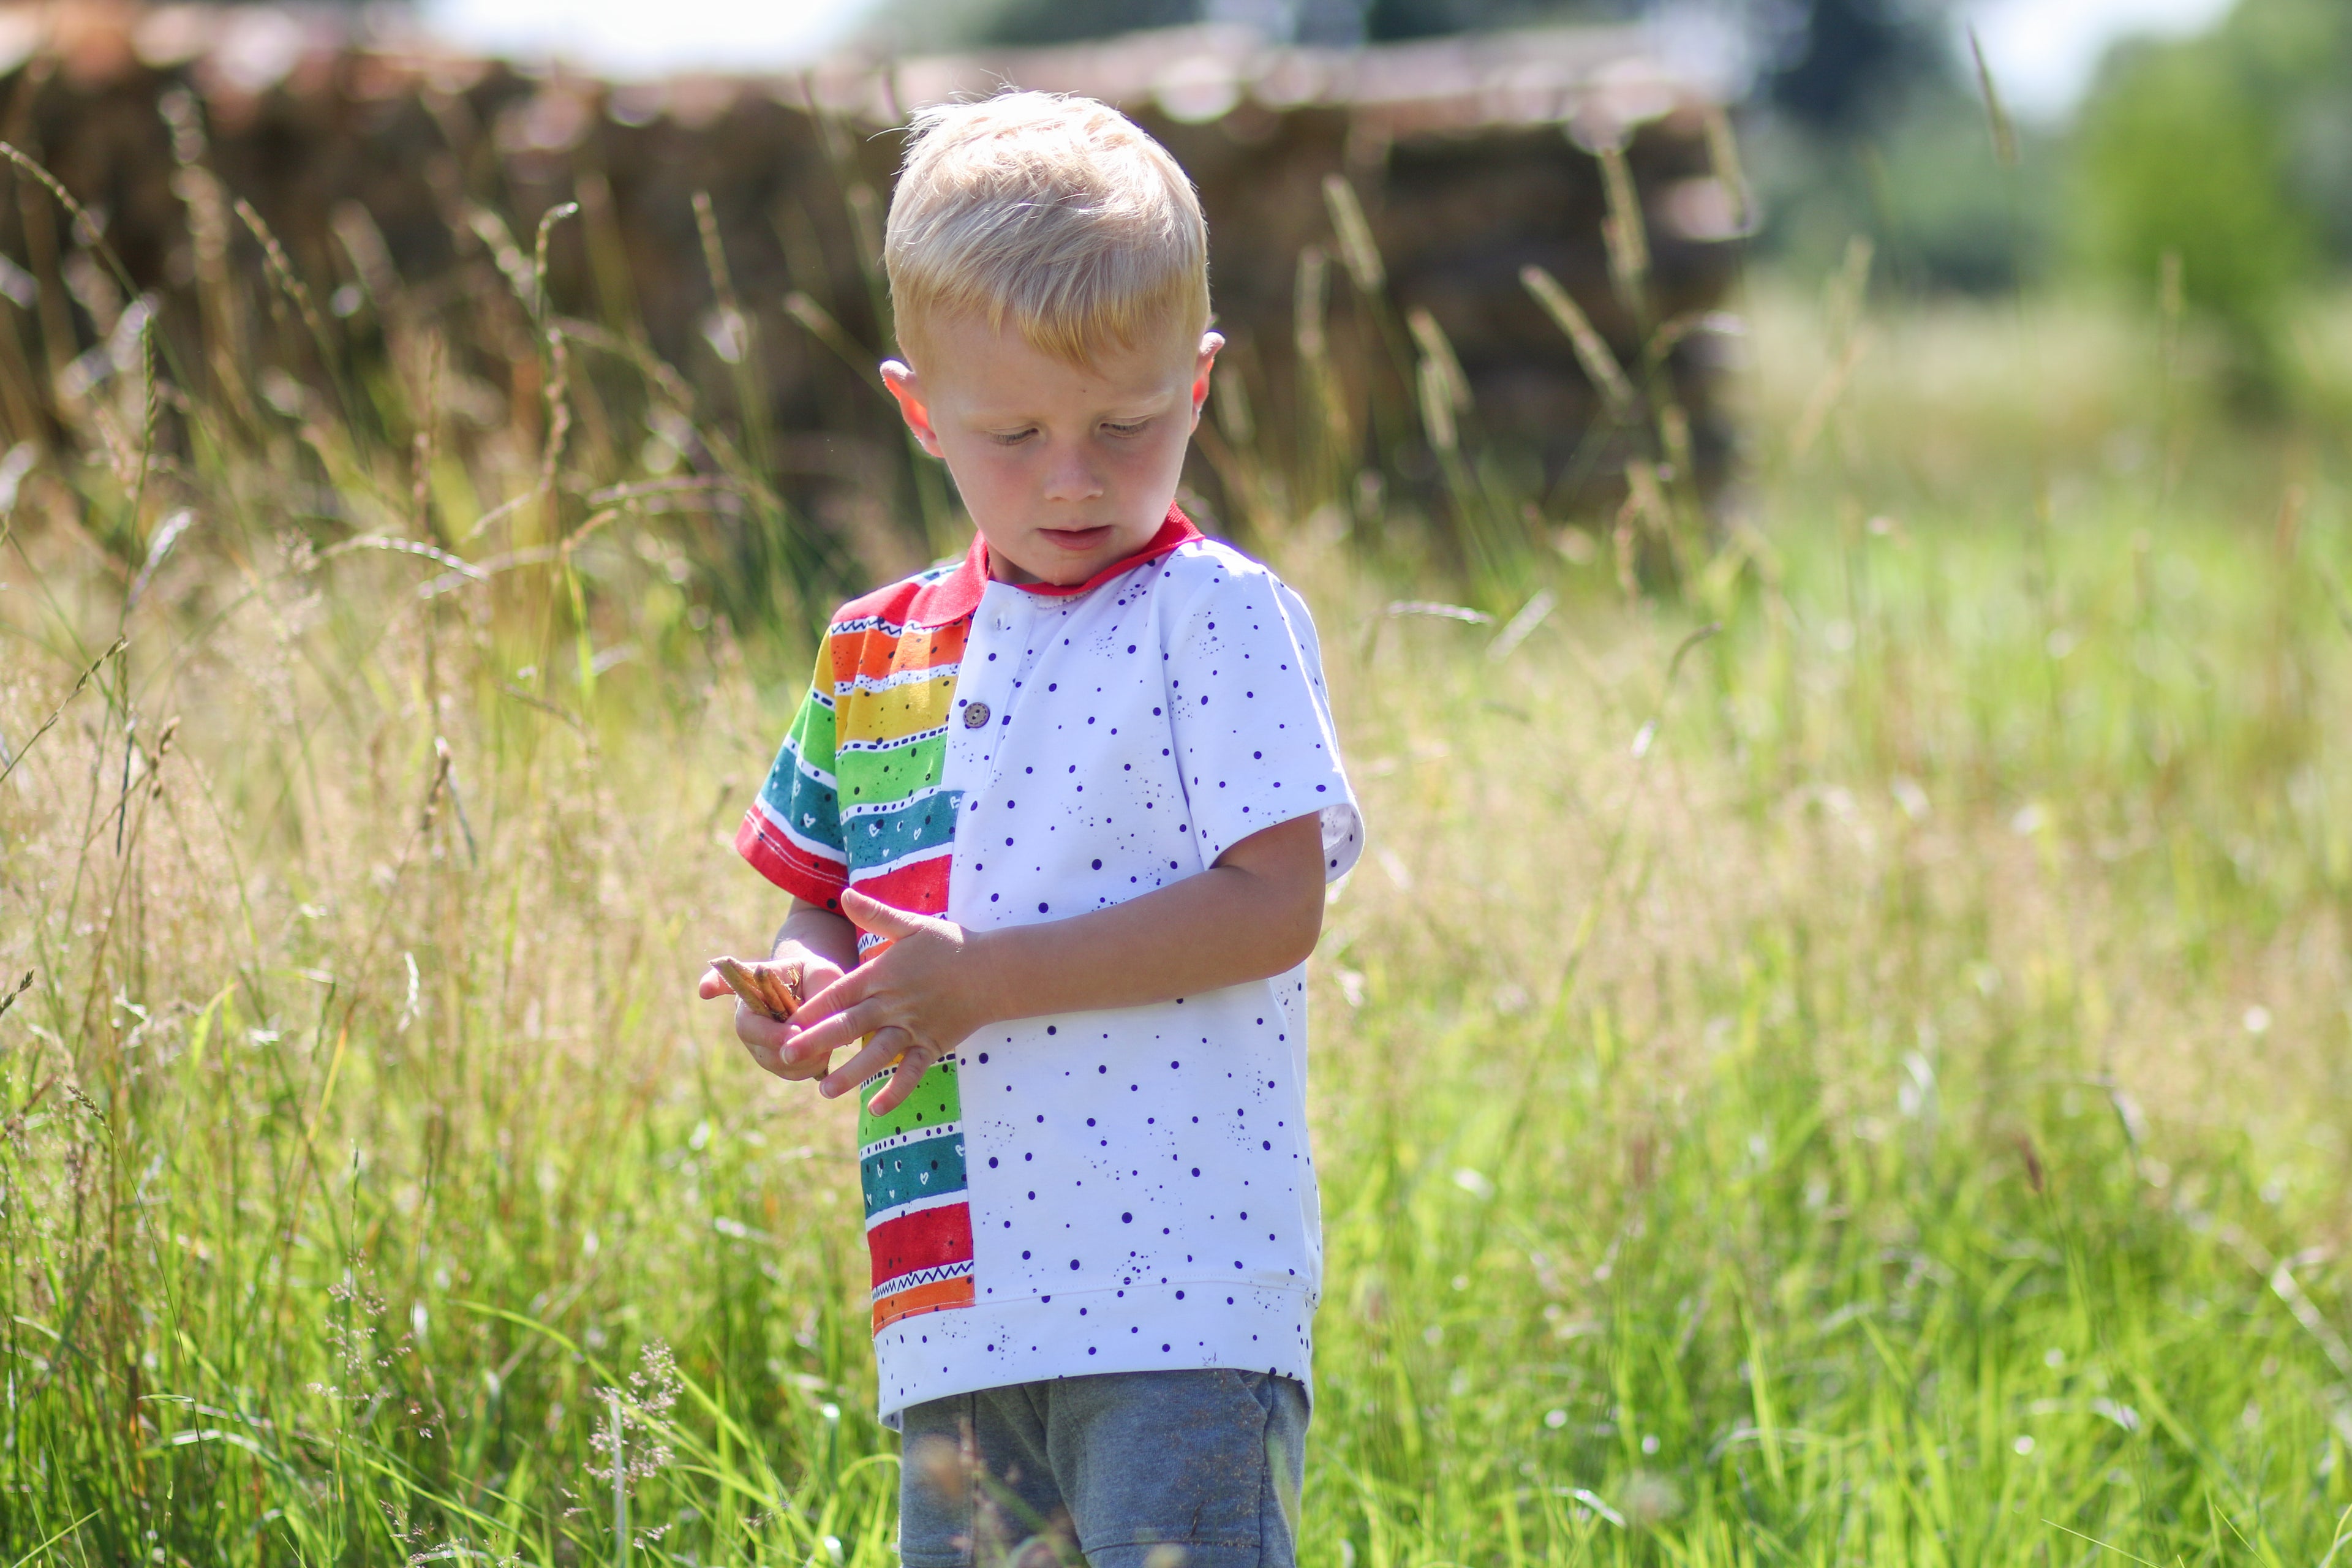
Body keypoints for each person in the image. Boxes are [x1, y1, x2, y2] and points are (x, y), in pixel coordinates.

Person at [700, 90, 1362, 1568]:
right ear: (920, 408)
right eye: (1013, 433)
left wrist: (982, 977)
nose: (1074, 475)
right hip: (953, 1295)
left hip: (1183, 1292)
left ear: (1196, 385)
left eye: (1125, 424)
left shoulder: (1217, 619)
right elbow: (821, 894)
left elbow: (1275, 902)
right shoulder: (872, 650)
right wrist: (804, 983)